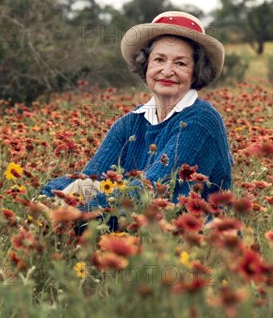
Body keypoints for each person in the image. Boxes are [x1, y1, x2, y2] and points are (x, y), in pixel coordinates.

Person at [40, 11, 233, 211]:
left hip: (190, 233)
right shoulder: (131, 122)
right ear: (146, 63)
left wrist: (79, 215)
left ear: (196, 71)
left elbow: (154, 189)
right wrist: (44, 197)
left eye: (180, 63)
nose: (167, 71)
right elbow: (91, 176)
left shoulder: (200, 120)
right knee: (82, 187)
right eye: (159, 59)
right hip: (133, 220)